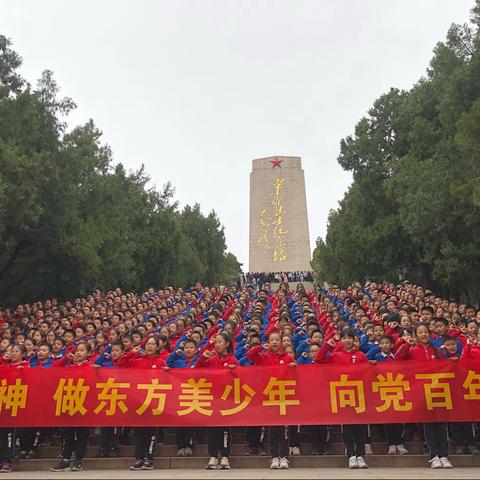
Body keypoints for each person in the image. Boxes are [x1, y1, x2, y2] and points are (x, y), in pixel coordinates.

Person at [395, 324, 453, 469]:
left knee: (441, 424)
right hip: (422, 391)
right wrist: (406, 343)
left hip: (438, 390)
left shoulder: (437, 350)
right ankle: (433, 455)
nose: (423, 334)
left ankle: (443, 455)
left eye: (426, 332)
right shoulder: (412, 350)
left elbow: (445, 366)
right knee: (428, 425)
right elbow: (398, 358)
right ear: (416, 335)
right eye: (420, 332)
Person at [315, 328, 369, 469]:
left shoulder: (362, 355)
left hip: (359, 395)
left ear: (354, 339)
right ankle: (351, 454)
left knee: (360, 427)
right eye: (344, 338)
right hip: (343, 394)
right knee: (347, 427)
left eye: (349, 338)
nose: (347, 341)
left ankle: (360, 455)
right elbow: (318, 359)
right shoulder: (335, 355)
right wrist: (328, 344)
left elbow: (367, 373)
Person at [247, 331, 295, 470]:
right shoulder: (264, 357)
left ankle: (284, 456)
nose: (274, 342)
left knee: (285, 428)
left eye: (277, 339)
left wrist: (293, 368)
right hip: (270, 396)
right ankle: (274, 456)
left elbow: (294, 376)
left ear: (281, 342)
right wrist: (260, 346)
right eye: (272, 339)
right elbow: (250, 355)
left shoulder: (288, 358)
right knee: (273, 429)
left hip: (284, 396)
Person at [125, 336, 169, 471]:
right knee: (138, 432)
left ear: (157, 347)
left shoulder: (161, 362)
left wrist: (167, 373)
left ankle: (149, 458)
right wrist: (131, 353)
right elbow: (121, 364)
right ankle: (139, 458)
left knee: (151, 432)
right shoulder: (137, 361)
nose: (149, 346)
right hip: (138, 401)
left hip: (154, 402)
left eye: (152, 344)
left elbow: (167, 381)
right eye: (147, 344)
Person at [196, 332, 238, 470]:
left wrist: (234, 372)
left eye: (220, 342)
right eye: (216, 342)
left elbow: (239, 379)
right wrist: (202, 358)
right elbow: (197, 371)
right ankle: (213, 455)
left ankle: (225, 455)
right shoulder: (211, 360)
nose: (217, 345)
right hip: (212, 398)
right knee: (212, 428)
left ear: (227, 344)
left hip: (227, 399)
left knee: (225, 429)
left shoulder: (232, 360)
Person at [50, 342, 92, 472]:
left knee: (81, 434)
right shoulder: (70, 367)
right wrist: (65, 359)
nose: (78, 353)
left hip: (84, 406)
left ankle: (78, 460)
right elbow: (52, 369)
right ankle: (66, 459)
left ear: (88, 353)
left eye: (82, 350)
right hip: (69, 404)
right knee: (67, 433)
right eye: (77, 350)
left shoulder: (91, 368)